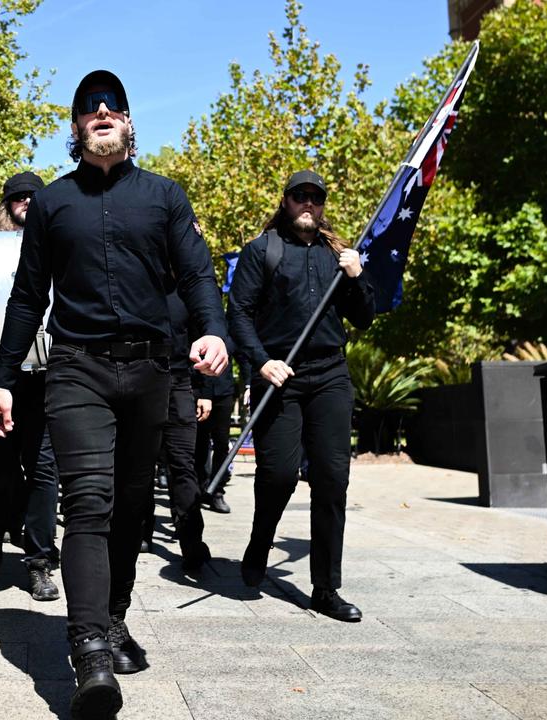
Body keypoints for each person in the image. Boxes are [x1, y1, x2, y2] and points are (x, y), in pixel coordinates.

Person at [0, 70, 228, 720]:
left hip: (150, 370)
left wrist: (212, 329)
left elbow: (198, 271)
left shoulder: (165, 197)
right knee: (86, 502)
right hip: (77, 369)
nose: (100, 112)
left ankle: (113, 615)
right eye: (88, 107)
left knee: (130, 511)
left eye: (111, 105)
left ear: (128, 121)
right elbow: (27, 296)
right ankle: (88, 649)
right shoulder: (55, 204)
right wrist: (4, 377)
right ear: (75, 128)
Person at [226, 169, 375, 623]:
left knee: (332, 478)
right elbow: (239, 315)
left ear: (323, 205)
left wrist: (357, 276)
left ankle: (326, 588)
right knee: (279, 474)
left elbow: (364, 316)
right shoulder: (262, 251)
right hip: (280, 376)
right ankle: (260, 538)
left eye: (316, 198)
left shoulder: (339, 255)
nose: (308, 204)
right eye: (299, 197)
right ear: (286, 201)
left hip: (330, 373)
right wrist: (261, 361)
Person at [0, 170, 61, 603]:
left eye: (33, 196)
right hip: (0, 378)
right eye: (18, 197)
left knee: (45, 470)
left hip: (49, 378)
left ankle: (40, 560)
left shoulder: (61, 242)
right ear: (6, 205)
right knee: (0, 471)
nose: (26, 201)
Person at [139, 292, 214, 576]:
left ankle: (191, 542)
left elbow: (204, 336)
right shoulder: (138, 278)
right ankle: (140, 534)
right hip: (141, 381)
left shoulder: (187, 290)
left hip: (180, 382)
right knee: (140, 464)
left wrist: (204, 392)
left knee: (183, 466)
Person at [194, 357, 235, 514]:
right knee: (199, 443)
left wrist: (249, 384)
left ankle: (217, 490)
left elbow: (243, 354)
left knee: (221, 443)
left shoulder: (229, 333)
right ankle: (199, 488)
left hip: (223, 391)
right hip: (198, 390)